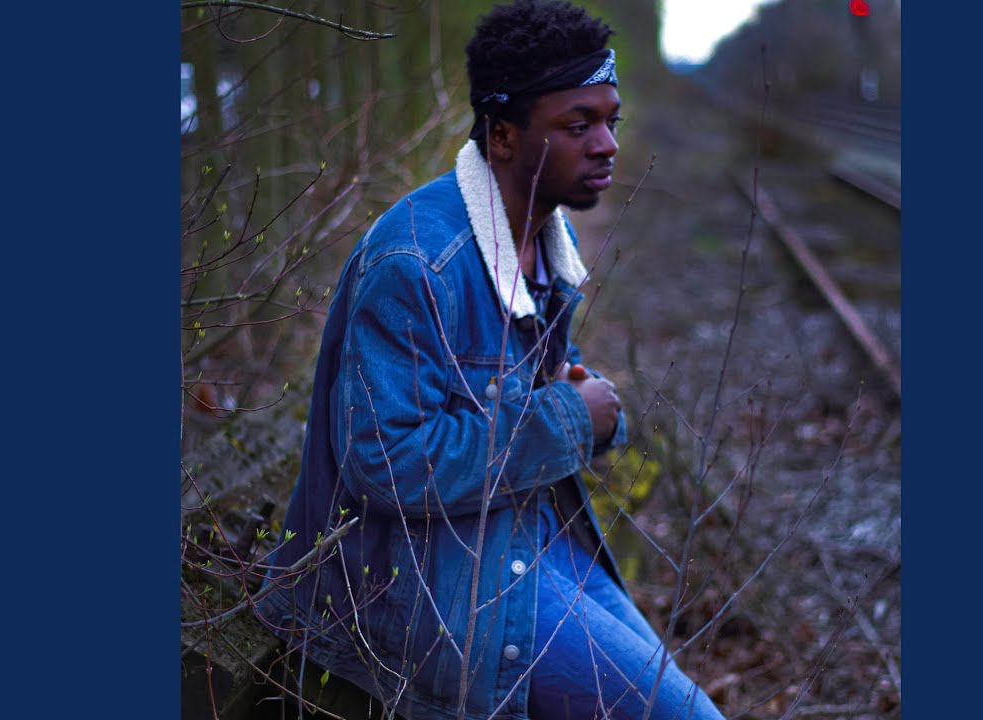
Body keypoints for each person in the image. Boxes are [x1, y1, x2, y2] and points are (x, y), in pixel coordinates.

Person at [256, 2, 724, 718]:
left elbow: (517, 384)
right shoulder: (418, 263)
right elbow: (385, 463)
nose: (607, 146)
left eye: (611, 121)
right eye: (579, 126)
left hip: (516, 535)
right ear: (503, 135)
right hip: (418, 583)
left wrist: (574, 393)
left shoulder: (541, 235)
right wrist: (571, 419)